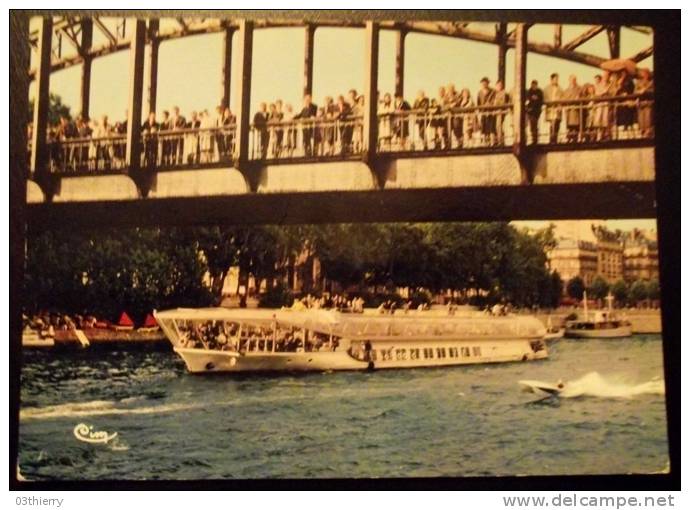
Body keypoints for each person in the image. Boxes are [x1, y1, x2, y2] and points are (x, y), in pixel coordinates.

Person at [543, 73, 563, 143]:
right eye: (555, 79)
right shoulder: (546, 89)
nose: (556, 80)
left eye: (557, 79)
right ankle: (551, 140)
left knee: (557, 123)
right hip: (550, 108)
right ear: (551, 80)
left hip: (557, 108)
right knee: (552, 124)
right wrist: (549, 103)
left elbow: (562, 98)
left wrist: (559, 105)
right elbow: (545, 98)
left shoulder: (560, 89)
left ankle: (555, 139)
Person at [562, 75, 583, 143]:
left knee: (576, 125)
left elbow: (582, 97)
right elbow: (564, 99)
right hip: (569, 110)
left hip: (576, 110)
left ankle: (575, 138)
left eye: (574, 80)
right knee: (569, 125)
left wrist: (578, 99)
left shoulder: (579, 88)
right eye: (571, 80)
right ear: (569, 80)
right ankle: (569, 137)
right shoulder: (566, 90)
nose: (573, 81)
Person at [477, 77, 496, 146]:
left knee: (491, 126)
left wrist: (490, 104)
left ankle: (492, 141)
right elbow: (478, 103)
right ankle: (484, 142)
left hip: (491, 111)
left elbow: (495, 100)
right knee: (483, 126)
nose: (484, 84)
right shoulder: (479, 92)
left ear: (488, 83)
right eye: (482, 83)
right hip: (483, 112)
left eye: (485, 83)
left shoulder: (493, 91)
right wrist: (480, 111)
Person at [635, 68, 654, 138]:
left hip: (648, 102)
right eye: (642, 73)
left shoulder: (651, 82)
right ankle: (643, 133)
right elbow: (635, 91)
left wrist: (646, 91)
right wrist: (639, 92)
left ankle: (649, 134)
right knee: (641, 119)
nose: (644, 75)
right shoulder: (638, 82)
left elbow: (653, 91)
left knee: (648, 119)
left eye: (645, 73)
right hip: (641, 103)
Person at [525, 80, 544, 145]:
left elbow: (540, 101)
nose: (534, 86)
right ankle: (533, 139)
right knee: (532, 126)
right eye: (533, 85)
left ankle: (535, 140)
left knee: (534, 126)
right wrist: (528, 108)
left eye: (535, 85)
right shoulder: (529, 92)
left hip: (536, 111)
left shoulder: (539, 92)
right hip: (531, 112)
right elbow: (527, 101)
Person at [492, 80, 510, 146]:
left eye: (500, 85)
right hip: (495, 112)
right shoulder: (494, 93)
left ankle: (500, 141)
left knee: (499, 126)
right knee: (496, 126)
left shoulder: (504, 93)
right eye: (498, 85)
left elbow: (503, 102)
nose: (499, 86)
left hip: (500, 111)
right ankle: (495, 140)